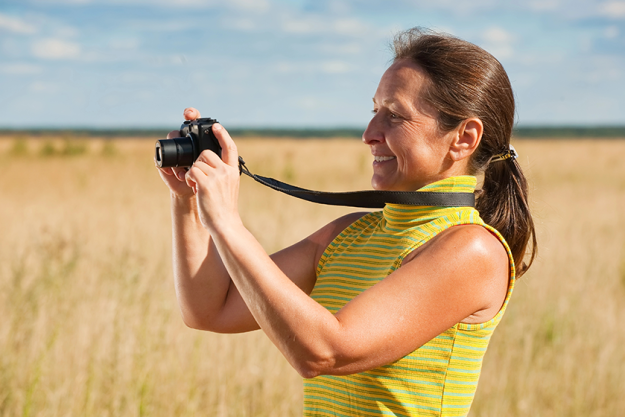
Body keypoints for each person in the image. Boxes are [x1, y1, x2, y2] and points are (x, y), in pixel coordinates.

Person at [157, 27, 536, 417]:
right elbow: (210, 310)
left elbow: (325, 353)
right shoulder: (346, 234)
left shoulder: (472, 249)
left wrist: (226, 222)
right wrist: (186, 202)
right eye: (374, 112)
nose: (369, 134)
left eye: (395, 115)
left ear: (463, 138)